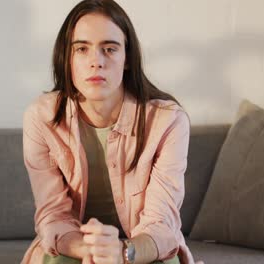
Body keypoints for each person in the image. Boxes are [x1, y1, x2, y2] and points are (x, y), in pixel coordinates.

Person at [21, 0, 204, 263]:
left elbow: (161, 224)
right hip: (74, 248)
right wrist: (90, 251)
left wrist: (121, 252)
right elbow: (53, 216)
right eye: (82, 49)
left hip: (141, 249)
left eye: (109, 48)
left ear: (127, 58)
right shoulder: (41, 118)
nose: (96, 62)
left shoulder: (168, 121)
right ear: (67, 58)